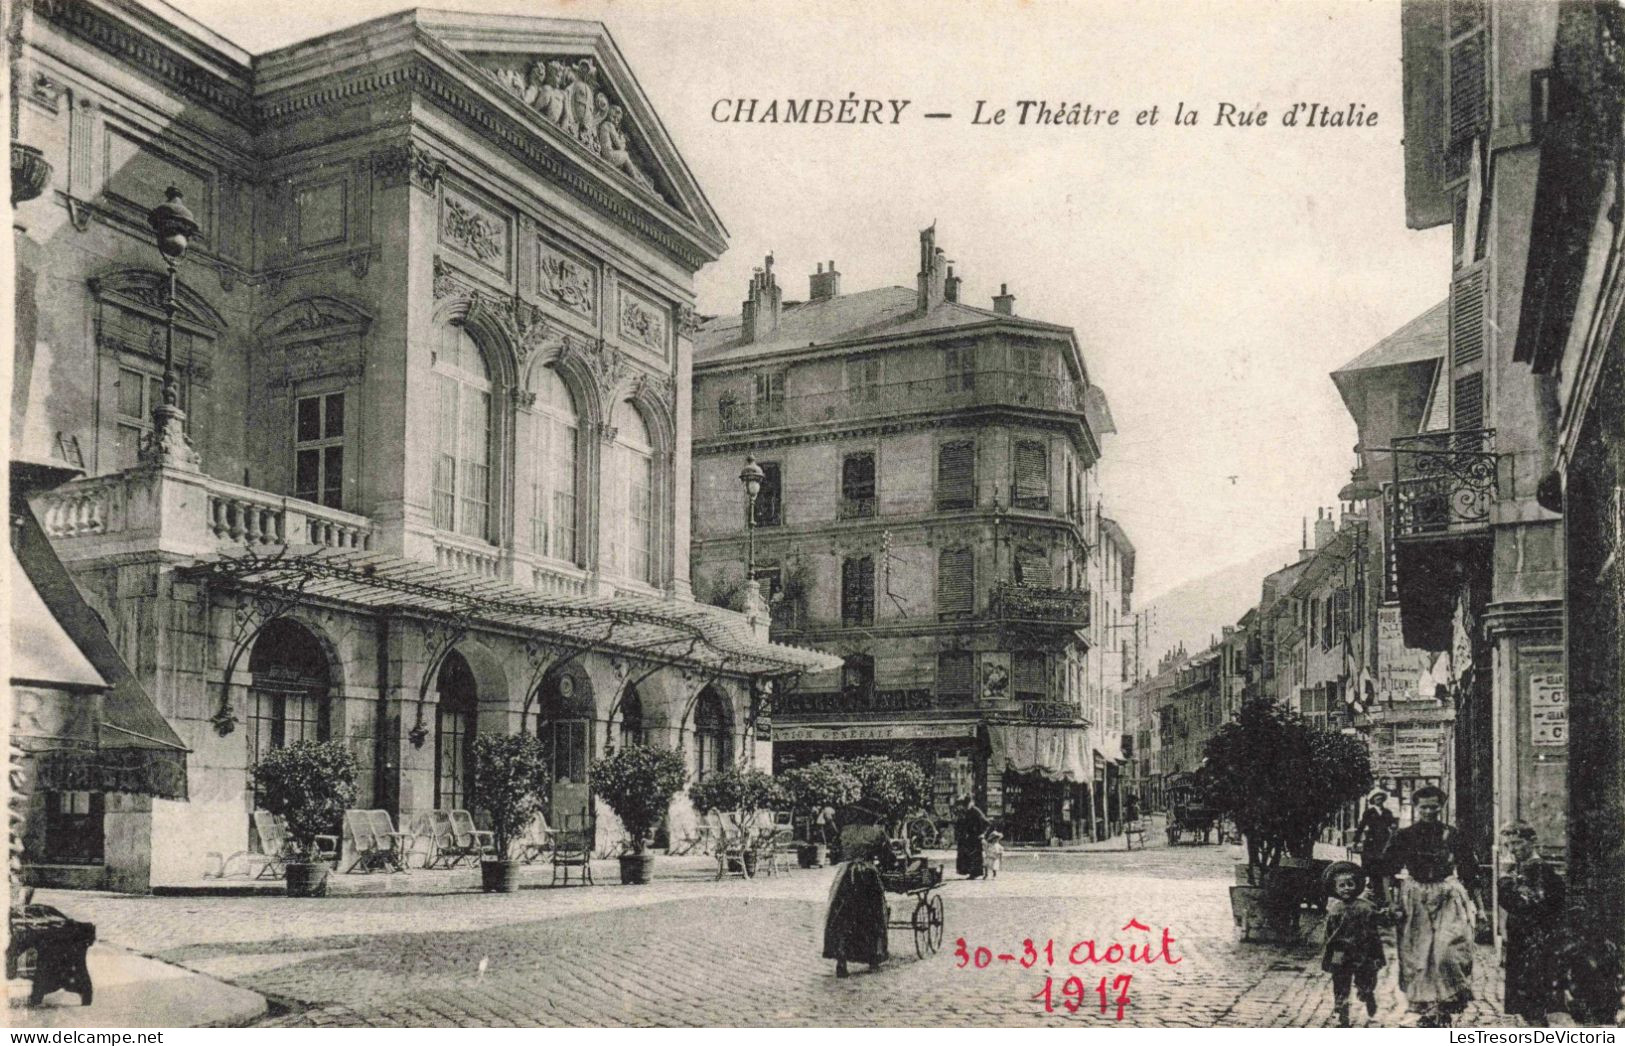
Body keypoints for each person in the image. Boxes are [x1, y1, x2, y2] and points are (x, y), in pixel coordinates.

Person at [1389, 785, 1478, 1027]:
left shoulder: (1453, 835)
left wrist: (1476, 905)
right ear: (1416, 808)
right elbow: (1386, 870)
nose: (1429, 811)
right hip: (1415, 897)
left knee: (1446, 952)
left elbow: (1470, 871)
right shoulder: (1404, 836)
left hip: (1447, 895)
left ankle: (1447, 1001)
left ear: (1441, 807)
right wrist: (1391, 903)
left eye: (1434, 806)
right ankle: (1430, 1010)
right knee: (1418, 956)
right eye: (1424, 807)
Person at [1497, 821, 1565, 1025]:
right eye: (1508, 845)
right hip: (1523, 940)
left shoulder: (1538, 870)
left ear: (1532, 841)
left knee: (1533, 1004)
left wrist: (1505, 879)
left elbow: (1519, 903)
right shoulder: (1524, 868)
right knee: (1528, 1006)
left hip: (1535, 944)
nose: (1512, 849)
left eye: (1517, 843)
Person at [1321, 860, 1386, 1027]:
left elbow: (1375, 931)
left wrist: (1377, 954)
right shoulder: (1335, 909)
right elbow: (1329, 934)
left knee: (1366, 978)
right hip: (1340, 952)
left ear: (1357, 886)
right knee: (1340, 982)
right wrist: (1329, 953)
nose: (1346, 888)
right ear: (1335, 889)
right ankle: (1341, 1010)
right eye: (1341, 886)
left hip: (1362, 951)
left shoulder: (1366, 908)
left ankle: (1367, 993)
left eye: (1350, 884)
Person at [823, 824, 890, 978]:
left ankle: (841, 961)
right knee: (873, 914)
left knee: (841, 917)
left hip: (845, 876)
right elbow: (887, 857)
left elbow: (834, 856)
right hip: (868, 876)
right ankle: (873, 955)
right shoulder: (877, 831)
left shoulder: (844, 830)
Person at [1352, 789, 1399, 906]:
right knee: (1372, 868)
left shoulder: (1387, 812)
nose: (1379, 801)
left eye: (1381, 799)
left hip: (1384, 843)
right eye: (1377, 799)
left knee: (1384, 869)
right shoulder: (1369, 812)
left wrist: (1393, 826)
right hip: (1371, 843)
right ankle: (1374, 891)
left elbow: (1393, 825)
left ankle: (1382, 894)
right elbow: (1361, 826)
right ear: (1373, 801)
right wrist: (1355, 840)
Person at [954, 796, 990, 879]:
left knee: (975, 855)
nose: (964, 807)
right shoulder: (966, 811)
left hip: (975, 836)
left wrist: (983, 834)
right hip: (967, 836)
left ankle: (975, 873)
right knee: (965, 853)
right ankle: (967, 871)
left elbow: (986, 823)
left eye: (965, 805)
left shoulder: (976, 811)